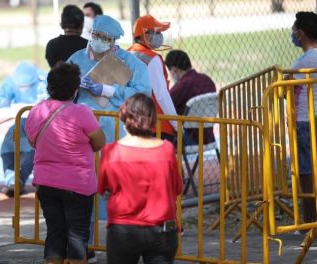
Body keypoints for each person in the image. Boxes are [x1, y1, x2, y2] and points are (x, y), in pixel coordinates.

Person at [68, 14, 151, 262]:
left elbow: (142, 92)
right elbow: (58, 86)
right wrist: (73, 88)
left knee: (117, 187)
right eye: (96, 35)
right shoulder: (77, 58)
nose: (99, 40)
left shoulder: (132, 64)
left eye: (105, 38)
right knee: (82, 188)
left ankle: (122, 244)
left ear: (115, 41)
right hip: (80, 135)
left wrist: (106, 90)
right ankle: (85, 244)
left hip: (114, 134)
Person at [25, 62, 106, 264]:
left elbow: (32, 140)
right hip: (77, 185)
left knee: (55, 234)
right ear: (75, 89)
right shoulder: (82, 113)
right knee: (77, 236)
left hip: (45, 182)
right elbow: (99, 143)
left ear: (49, 86)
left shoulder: (36, 111)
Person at [99, 93, 182, 264]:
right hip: (161, 228)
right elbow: (177, 188)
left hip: (123, 228)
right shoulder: (166, 150)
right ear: (152, 120)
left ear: (124, 119)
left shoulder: (111, 151)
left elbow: (104, 189)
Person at [0, 61, 47, 197]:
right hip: (20, 121)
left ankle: (19, 180)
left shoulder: (44, 80)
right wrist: (3, 102)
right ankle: (11, 178)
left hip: (43, 124)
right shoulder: (11, 81)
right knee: (8, 145)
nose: (24, 88)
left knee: (35, 148)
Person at [128, 14, 178, 143]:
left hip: (133, 121)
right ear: (145, 34)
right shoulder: (152, 58)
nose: (160, 36)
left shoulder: (127, 53)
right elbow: (161, 95)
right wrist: (176, 124)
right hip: (157, 124)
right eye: (156, 32)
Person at [290, 11, 317, 225]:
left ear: (301, 34)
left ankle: (310, 220)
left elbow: (286, 91)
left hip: (305, 121)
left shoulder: (301, 63)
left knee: (306, 170)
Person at [165, 49, 216, 145]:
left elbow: (167, 106)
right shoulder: (207, 79)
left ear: (174, 69)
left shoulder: (182, 85)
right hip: (209, 137)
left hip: (189, 138)